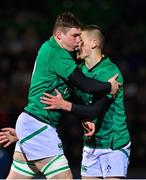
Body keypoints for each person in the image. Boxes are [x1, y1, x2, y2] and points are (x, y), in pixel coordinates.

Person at [0, 12, 120, 179]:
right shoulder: (56, 53)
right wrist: (109, 86)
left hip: (33, 125)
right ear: (59, 35)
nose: (78, 40)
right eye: (75, 36)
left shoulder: (52, 50)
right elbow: (86, 85)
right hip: (38, 126)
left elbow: (75, 93)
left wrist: (23, 133)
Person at [39, 25, 131, 179]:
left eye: (80, 40)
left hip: (113, 145)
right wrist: (23, 133)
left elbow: (95, 110)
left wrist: (65, 105)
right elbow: (57, 102)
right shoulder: (78, 73)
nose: (76, 44)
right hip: (90, 145)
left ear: (93, 43)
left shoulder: (110, 73)